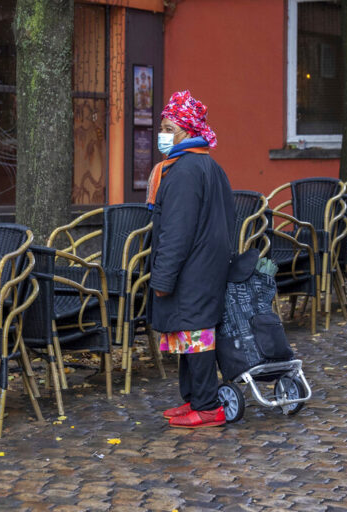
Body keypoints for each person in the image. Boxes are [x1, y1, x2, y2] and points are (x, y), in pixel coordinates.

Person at [146, 90, 235, 428]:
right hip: (205, 268)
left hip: (191, 272)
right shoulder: (207, 165)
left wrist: (162, 278)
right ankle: (193, 400)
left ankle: (208, 406)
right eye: (163, 127)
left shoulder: (184, 171)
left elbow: (176, 233)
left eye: (169, 127)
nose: (163, 134)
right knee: (190, 337)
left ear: (186, 131)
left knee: (196, 339)